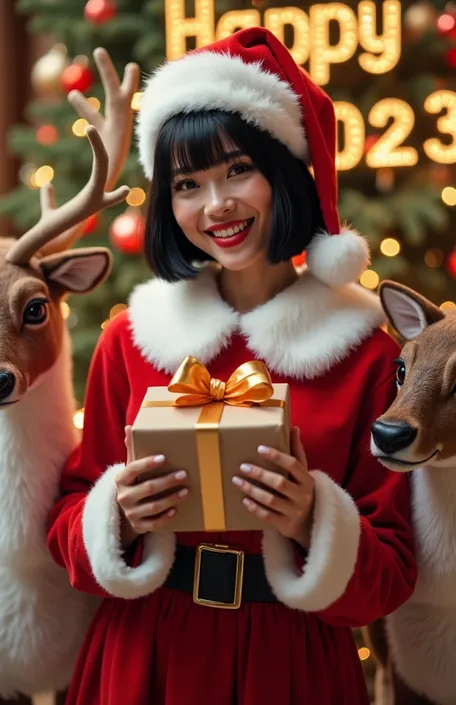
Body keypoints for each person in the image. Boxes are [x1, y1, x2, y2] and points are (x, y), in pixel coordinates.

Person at [47, 27, 417, 705]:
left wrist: (314, 518)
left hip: (292, 662)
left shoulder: (369, 355)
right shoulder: (130, 341)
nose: (215, 205)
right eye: (187, 183)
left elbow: (393, 573)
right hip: (141, 656)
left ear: (283, 172)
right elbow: (67, 520)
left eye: (238, 169)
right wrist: (116, 517)